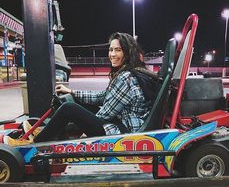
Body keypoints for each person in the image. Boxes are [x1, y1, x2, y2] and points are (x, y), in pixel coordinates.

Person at [3, 32, 154, 146]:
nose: (112, 54)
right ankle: (51, 132)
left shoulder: (126, 78)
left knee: (69, 108)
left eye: (118, 50)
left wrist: (80, 126)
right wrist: (73, 93)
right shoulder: (129, 72)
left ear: (128, 53)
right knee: (73, 104)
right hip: (120, 121)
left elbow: (104, 114)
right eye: (111, 50)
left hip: (123, 133)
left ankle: (36, 144)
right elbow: (103, 96)